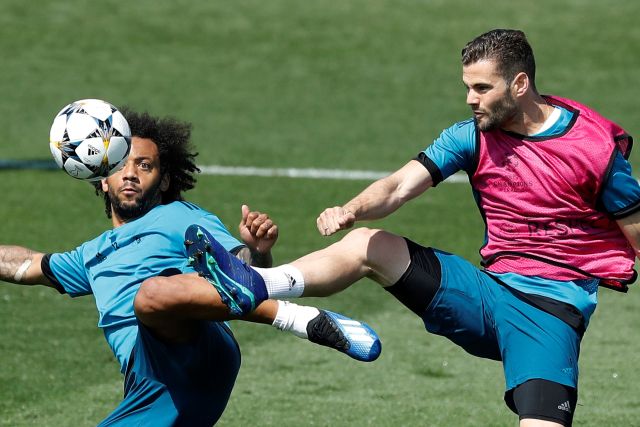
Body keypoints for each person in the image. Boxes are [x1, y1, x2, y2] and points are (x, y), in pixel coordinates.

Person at [187, 29, 640, 426]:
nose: (470, 99)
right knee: (367, 244)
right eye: (467, 87)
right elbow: (401, 185)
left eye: (482, 88)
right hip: (486, 293)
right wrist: (352, 209)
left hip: (549, 313)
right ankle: (257, 282)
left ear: (520, 84)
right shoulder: (471, 135)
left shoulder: (594, 149)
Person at [0, 109, 380, 426]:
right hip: (151, 386)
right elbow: (28, 264)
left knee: (150, 295)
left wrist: (256, 252)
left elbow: (238, 267)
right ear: (102, 178)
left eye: (144, 165)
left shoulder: (178, 216)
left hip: (196, 348)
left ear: (164, 179)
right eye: (121, 164)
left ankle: (298, 318)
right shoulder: (90, 255)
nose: (131, 173)